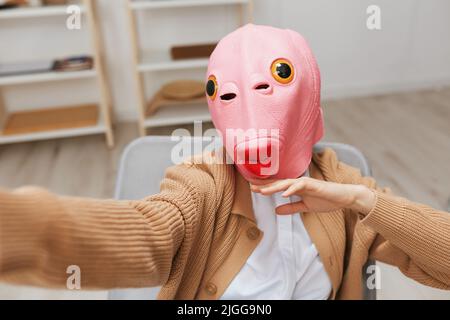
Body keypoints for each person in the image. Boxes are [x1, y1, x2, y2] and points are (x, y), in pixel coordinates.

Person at [0, 24, 449, 300]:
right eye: (224, 92)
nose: (246, 106)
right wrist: (17, 226)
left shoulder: (342, 184)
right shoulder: (201, 184)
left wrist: (363, 201)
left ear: (312, 99)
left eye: (276, 78)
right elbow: (148, 233)